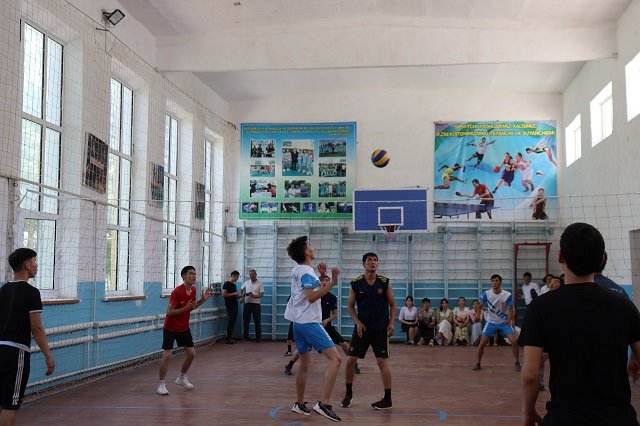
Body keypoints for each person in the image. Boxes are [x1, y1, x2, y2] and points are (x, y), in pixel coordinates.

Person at [521, 222, 640, 426]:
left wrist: (528, 413)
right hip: (618, 418)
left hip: (564, 418)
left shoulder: (540, 307)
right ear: (601, 260)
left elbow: (530, 375)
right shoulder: (624, 304)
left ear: (560, 256)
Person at [284, 236, 342, 422]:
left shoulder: (298, 269)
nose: (313, 247)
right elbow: (311, 296)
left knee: (305, 364)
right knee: (336, 359)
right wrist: (332, 282)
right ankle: (324, 403)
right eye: (310, 245)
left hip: (298, 323)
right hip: (309, 322)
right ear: (307, 252)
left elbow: (309, 290)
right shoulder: (307, 272)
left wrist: (322, 278)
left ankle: (299, 404)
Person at [0, 248, 55, 426]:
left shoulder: (3, 290)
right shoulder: (31, 292)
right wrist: (48, 355)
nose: (36, 265)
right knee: (10, 404)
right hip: (16, 353)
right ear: (27, 265)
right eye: (34, 261)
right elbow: (36, 328)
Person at [341, 252, 397, 410]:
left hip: (380, 329)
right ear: (363, 264)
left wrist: (392, 323)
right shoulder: (356, 283)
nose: (373, 262)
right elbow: (350, 307)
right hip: (362, 329)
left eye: (375, 260)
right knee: (350, 360)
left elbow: (393, 305)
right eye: (369, 260)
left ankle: (387, 399)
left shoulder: (385, 282)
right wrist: (358, 322)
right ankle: (348, 394)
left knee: (382, 361)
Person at [284, 275, 361, 375]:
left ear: (329, 283)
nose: (324, 282)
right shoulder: (312, 295)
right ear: (317, 282)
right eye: (321, 280)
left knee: (344, 344)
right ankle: (289, 365)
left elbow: (335, 313)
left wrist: (327, 320)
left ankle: (354, 364)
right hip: (312, 325)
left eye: (326, 280)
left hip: (326, 326)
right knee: (302, 349)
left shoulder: (331, 297)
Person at [157, 266, 213, 395]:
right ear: (184, 276)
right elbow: (170, 312)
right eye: (191, 274)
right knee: (167, 356)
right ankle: (161, 384)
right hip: (171, 328)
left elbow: (191, 307)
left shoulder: (193, 290)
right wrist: (185, 308)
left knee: (192, 354)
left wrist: (203, 300)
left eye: (195, 274)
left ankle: (181, 378)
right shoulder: (177, 292)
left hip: (183, 328)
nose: (194, 276)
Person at [472, 274, 520, 371]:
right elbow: (479, 305)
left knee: (514, 341)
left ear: (500, 282)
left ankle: (517, 362)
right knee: (482, 343)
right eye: (493, 281)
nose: (494, 283)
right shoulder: (487, 294)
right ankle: (478, 363)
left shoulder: (507, 295)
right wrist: (478, 314)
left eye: (497, 281)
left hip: (504, 323)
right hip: (491, 322)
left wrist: (510, 320)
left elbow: (511, 309)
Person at [241, 269, 264, 342]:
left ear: (256, 275)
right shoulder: (246, 282)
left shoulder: (260, 283)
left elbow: (262, 294)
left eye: (253, 274)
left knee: (257, 322)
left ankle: (258, 338)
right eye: (250, 275)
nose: (251, 276)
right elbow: (241, 289)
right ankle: (246, 337)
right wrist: (242, 297)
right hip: (247, 304)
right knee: (246, 321)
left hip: (256, 305)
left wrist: (254, 296)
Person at [222, 270, 241, 344]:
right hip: (229, 305)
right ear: (233, 276)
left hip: (234, 304)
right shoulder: (226, 284)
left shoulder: (234, 285)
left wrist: (242, 296)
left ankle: (230, 337)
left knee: (233, 321)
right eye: (237, 277)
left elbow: (235, 296)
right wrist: (234, 293)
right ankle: (228, 338)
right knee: (231, 321)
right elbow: (224, 294)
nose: (237, 279)